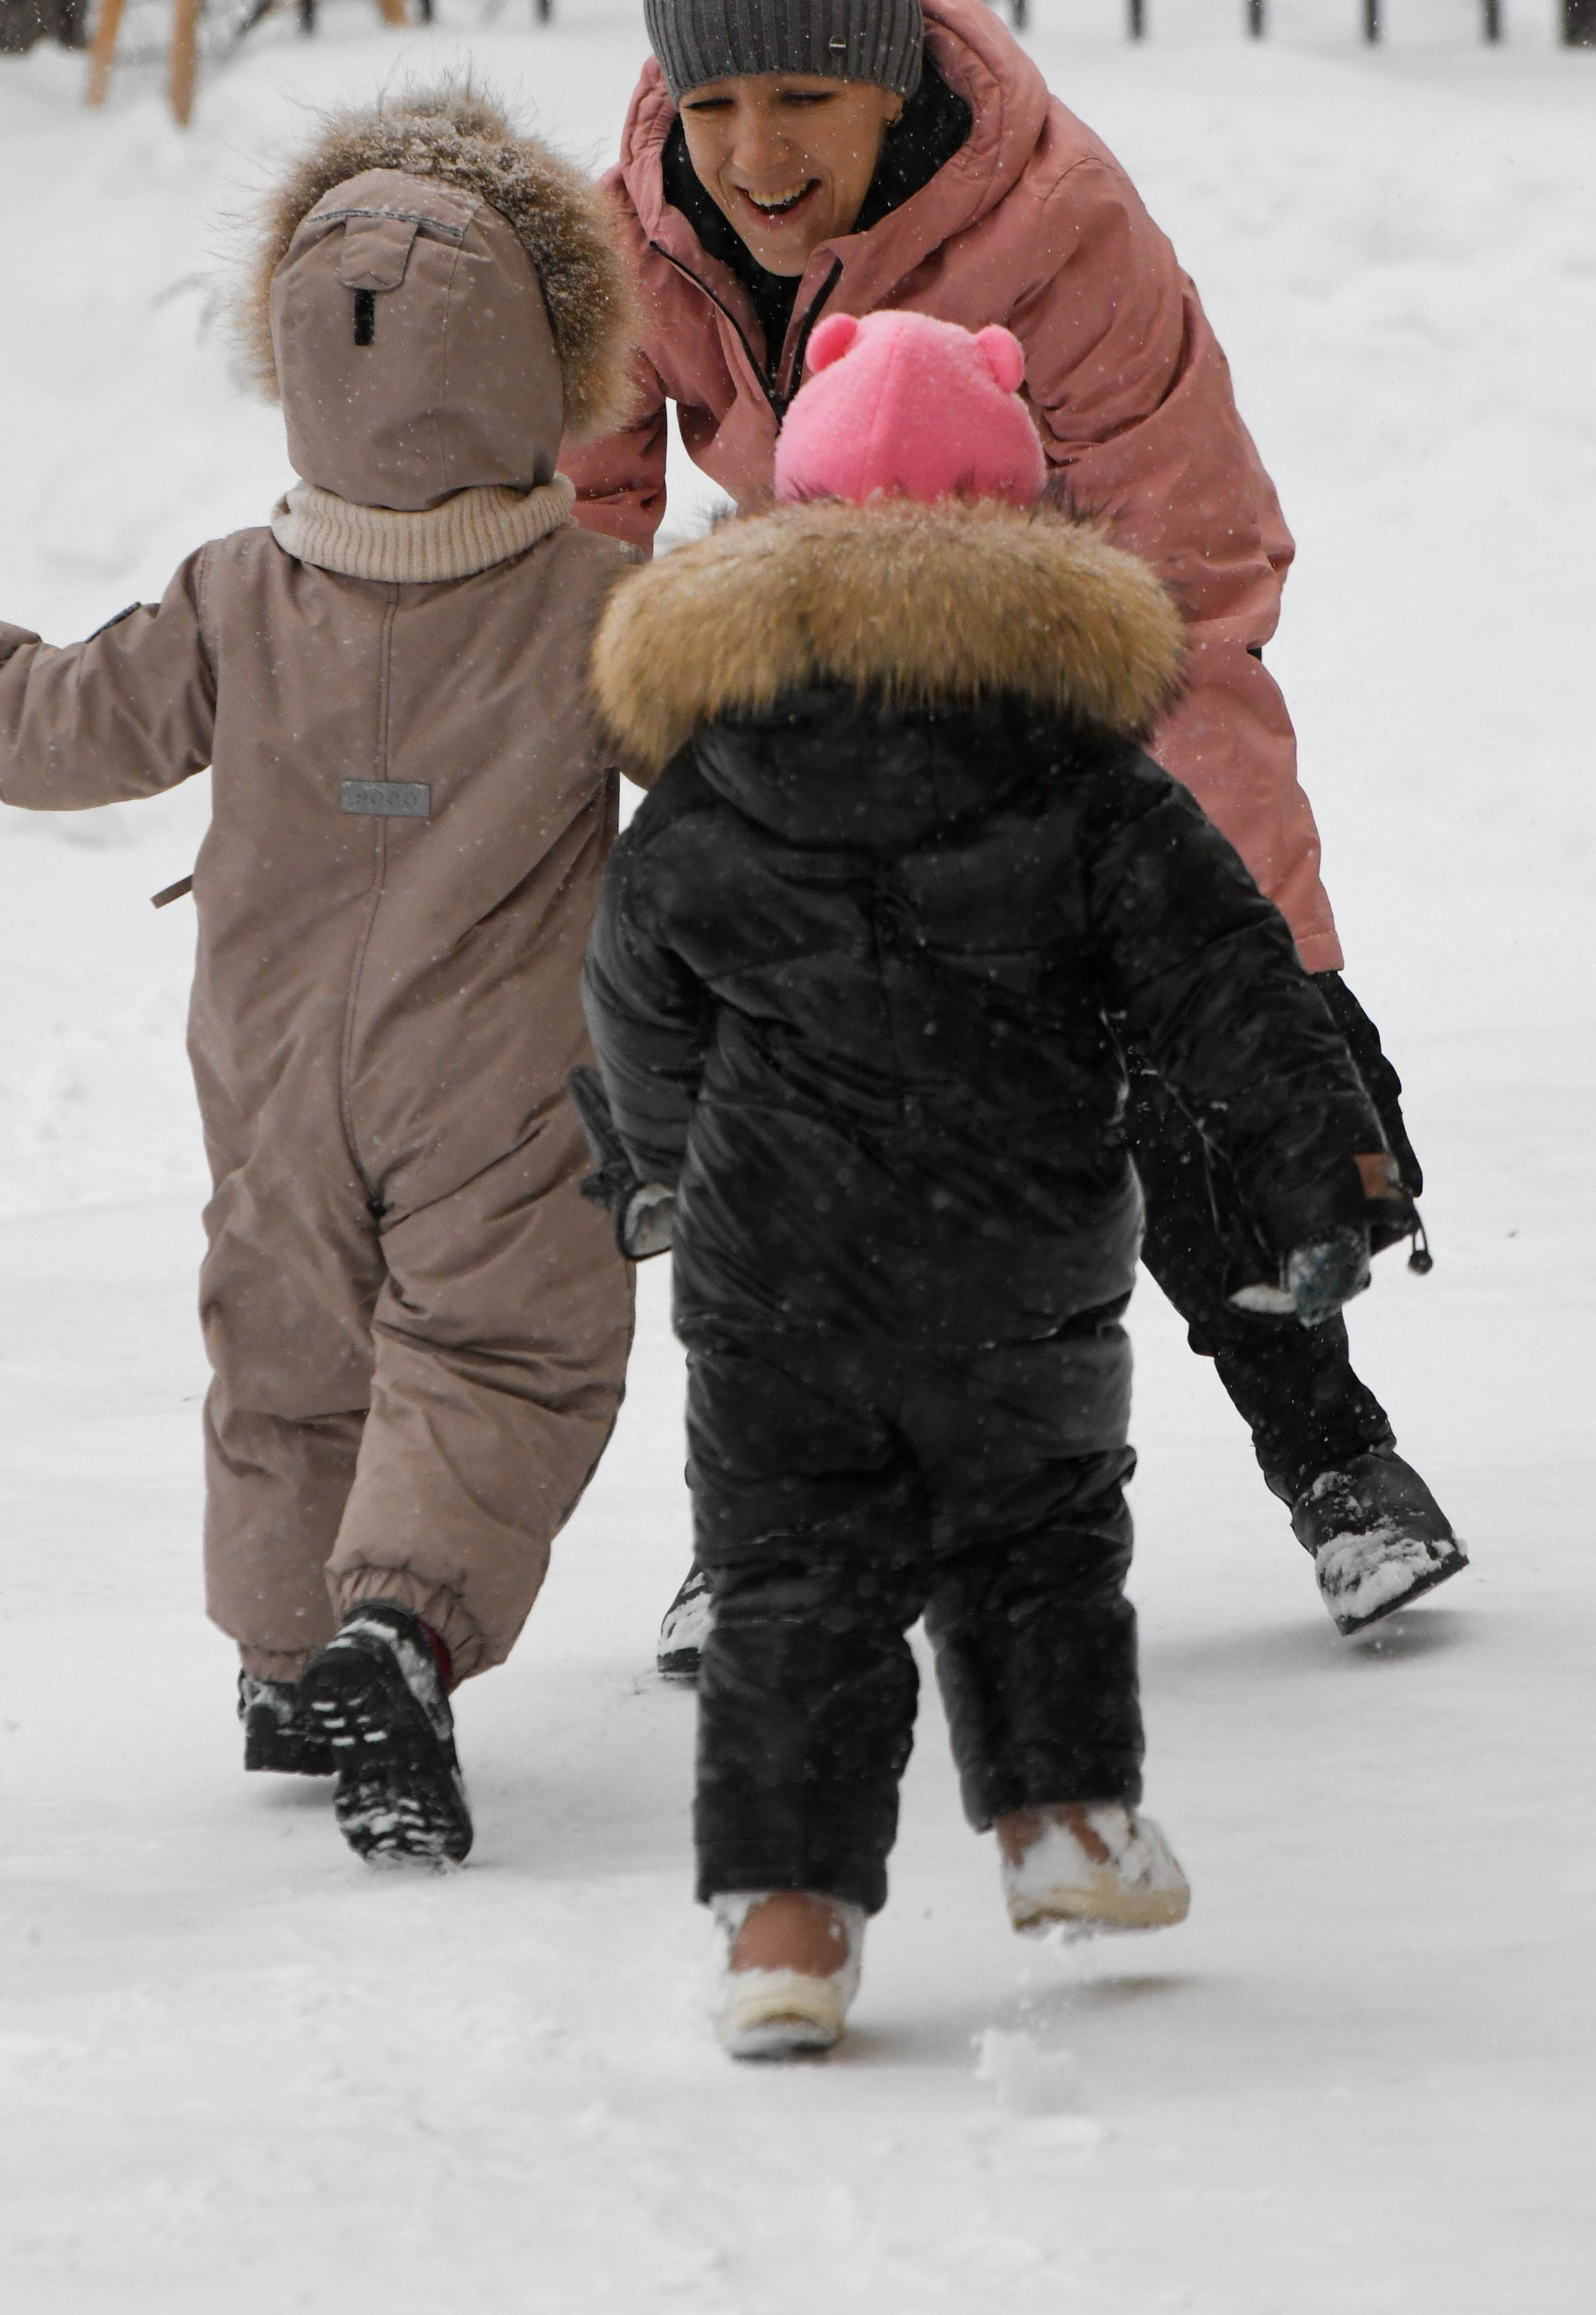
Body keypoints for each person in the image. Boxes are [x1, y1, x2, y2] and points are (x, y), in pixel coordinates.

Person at [562, 0, 1464, 1660]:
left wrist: (1234, 939)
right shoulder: (641, 233)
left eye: (804, 95)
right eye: (715, 99)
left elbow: (1196, 584)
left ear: (885, 78)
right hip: (808, 701)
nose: (754, 154)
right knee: (781, 1131)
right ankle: (758, 1526)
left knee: (1165, 1079)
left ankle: (1334, 1456)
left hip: (1056, 692)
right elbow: (570, 520)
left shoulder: (1057, 236)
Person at [0, 85, 640, 1870]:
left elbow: (47, 726)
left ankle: (278, 1658)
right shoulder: (599, 611)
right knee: (501, 1351)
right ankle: (394, 1633)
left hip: (264, 1067)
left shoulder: (234, 594)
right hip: (502, 1075)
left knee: (287, 1341)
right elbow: (759, 751)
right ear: (550, 367)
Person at [576, 305, 1408, 2060]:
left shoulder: (718, 775)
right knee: (1032, 1539)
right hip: (1011, 1256)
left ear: (785, 529)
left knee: (788, 1576)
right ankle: (1064, 1827)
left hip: (772, 1266)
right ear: (1023, 529)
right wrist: (1320, 1169)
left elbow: (634, 988)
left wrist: (661, 1162)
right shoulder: (1083, 778)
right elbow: (1226, 983)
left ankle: (787, 1932)